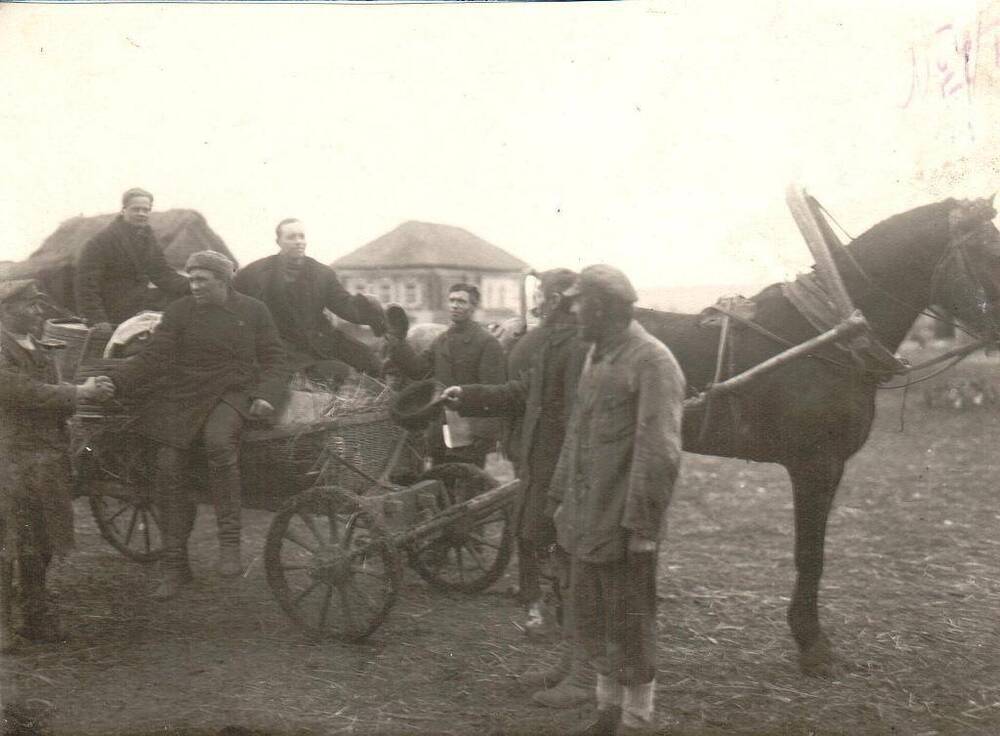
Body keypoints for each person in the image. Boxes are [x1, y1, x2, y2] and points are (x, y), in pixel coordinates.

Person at [441, 268, 595, 709]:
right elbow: (523, 391)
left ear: (560, 299)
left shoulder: (579, 344)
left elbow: (577, 420)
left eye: (543, 296)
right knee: (554, 554)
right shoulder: (554, 341)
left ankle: (583, 675)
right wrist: (466, 395)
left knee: (573, 561)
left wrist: (568, 482)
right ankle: (570, 661)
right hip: (543, 465)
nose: (537, 304)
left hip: (564, 471)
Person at [548, 265, 685, 736]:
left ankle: (636, 720)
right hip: (585, 514)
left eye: (577, 301)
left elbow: (659, 451)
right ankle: (606, 713)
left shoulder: (652, 361)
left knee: (630, 622)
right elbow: (575, 434)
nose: (570, 309)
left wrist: (642, 528)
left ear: (601, 307)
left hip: (622, 522)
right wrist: (559, 500)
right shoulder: (596, 356)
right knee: (593, 617)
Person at [109, 251, 288, 600]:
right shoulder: (179, 312)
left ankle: (230, 544)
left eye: (201, 280)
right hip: (184, 395)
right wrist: (116, 382)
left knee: (219, 441)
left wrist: (267, 394)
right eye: (190, 279)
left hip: (233, 391)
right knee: (167, 465)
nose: (194, 286)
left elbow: (275, 359)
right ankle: (174, 564)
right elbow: (155, 357)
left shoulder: (253, 310)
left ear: (222, 282)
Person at [0, 280, 114, 652]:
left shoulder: (39, 346)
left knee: (42, 539)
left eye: (38, 305)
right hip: (12, 457)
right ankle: (3, 628)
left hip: (47, 455)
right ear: (8, 309)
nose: (38, 312)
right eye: (30, 306)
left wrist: (88, 388)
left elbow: (53, 390)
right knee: (9, 541)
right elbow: (22, 392)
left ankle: (34, 616)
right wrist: (78, 392)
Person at [233, 218, 386, 378]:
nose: (299, 242)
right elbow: (234, 299)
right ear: (278, 241)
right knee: (333, 372)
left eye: (302, 236)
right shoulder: (256, 272)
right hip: (280, 343)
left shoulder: (322, 273)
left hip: (320, 337)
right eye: (291, 237)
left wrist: (374, 312)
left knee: (370, 361)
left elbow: (344, 304)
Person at [385, 283, 505, 468]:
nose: (455, 305)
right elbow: (418, 370)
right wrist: (397, 342)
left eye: (461, 301)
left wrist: (482, 436)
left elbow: (492, 392)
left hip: (469, 430)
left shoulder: (487, 343)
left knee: (467, 482)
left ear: (473, 307)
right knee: (440, 480)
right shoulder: (442, 340)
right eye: (452, 300)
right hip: (441, 429)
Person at [74, 187, 191, 330]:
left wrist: (195, 286)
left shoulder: (147, 239)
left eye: (146, 210)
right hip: (111, 315)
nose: (142, 214)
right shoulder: (102, 241)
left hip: (139, 311)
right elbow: (86, 285)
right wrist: (97, 320)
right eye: (136, 209)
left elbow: (163, 274)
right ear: (123, 210)